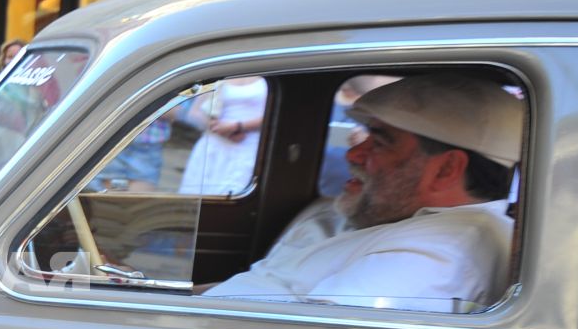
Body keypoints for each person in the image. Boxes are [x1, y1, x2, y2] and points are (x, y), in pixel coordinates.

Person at [205, 73, 522, 312]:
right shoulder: (402, 222)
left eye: (381, 142)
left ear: (446, 169)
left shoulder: (438, 255)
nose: (353, 155)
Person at [177, 75, 270, 196]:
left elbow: (274, 113)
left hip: (249, 148)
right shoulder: (220, 73)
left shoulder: (268, 75)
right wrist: (221, 130)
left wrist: (239, 127)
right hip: (213, 147)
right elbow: (194, 112)